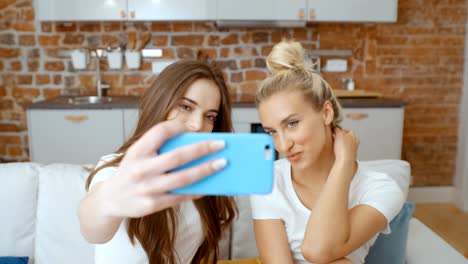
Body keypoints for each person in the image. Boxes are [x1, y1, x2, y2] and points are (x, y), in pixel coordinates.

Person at [250, 40, 405, 264]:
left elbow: (318, 250)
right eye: (272, 131)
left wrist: (343, 163)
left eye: (292, 123)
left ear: (326, 113)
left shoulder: (381, 189)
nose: (282, 146)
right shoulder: (267, 181)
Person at [78, 60, 237, 264]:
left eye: (210, 116)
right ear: (161, 102)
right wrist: (108, 202)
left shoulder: (202, 177)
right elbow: (92, 229)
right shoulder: (120, 171)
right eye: (186, 106)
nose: (198, 125)